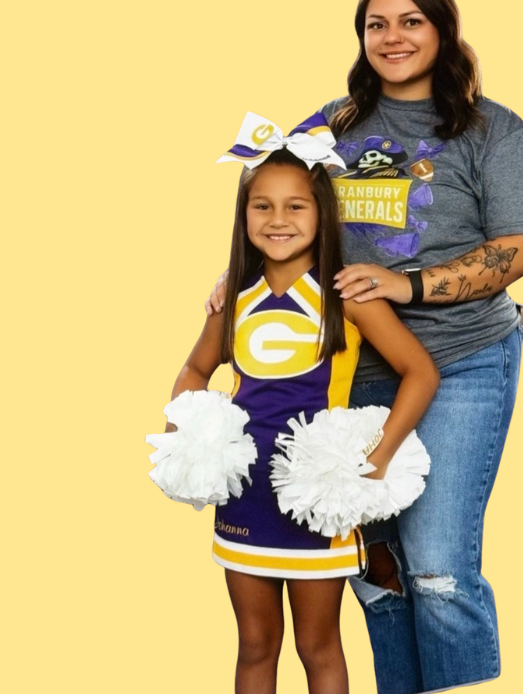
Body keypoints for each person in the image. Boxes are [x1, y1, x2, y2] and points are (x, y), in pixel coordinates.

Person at [209, 0, 523, 694]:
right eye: (377, 24)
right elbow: (273, 201)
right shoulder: (329, 124)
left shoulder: (494, 128)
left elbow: (521, 246)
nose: (392, 38)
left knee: (437, 567)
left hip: (461, 358)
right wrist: (236, 279)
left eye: (410, 22)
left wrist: (411, 284)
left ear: (443, 30)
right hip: (355, 366)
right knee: (378, 568)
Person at [171, 114, 439, 694]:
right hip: (244, 499)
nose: (278, 220)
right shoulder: (232, 300)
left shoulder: (348, 295)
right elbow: (195, 369)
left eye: (296, 206)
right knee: (255, 647)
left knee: (318, 647)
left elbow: (420, 371)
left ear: (322, 213)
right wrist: (191, 437)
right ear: (244, 218)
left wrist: (379, 457)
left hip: (317, 502)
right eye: (262, 206)